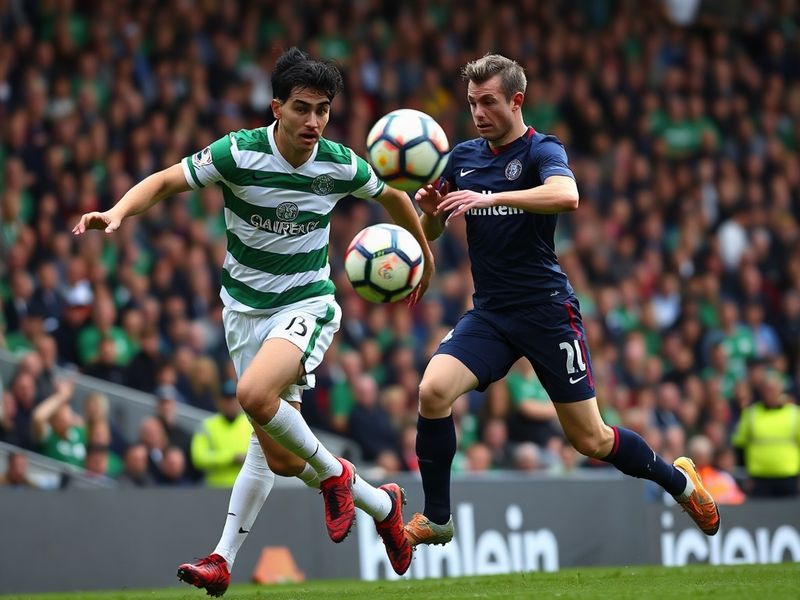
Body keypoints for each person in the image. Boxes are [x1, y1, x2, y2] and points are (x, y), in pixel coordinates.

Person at [73, 48, 431, 593]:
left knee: (253, 395)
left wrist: (424, 256)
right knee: (280, 459)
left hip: (305, 302)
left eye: (323, 110)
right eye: (303, 108)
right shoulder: (238, 153)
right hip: (243, 312)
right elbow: (167, 181)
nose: (314, 122)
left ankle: (329, 481)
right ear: (276, 108)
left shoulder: (339, 163)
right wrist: (118, 212)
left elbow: (396, 201)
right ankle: (381, 506)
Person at [404, 54, 720, 547]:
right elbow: (432, 231)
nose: (479, 113)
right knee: (432, 392)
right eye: (471, 103)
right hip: (491, 313)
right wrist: (432, 215)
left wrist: (488, 199)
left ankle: (680, 483)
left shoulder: (540, 150)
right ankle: (439, 518)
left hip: (547, 310)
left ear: (516, 100)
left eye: (488, 102)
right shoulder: (462, 157)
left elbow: (566, 194)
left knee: (589, 439)